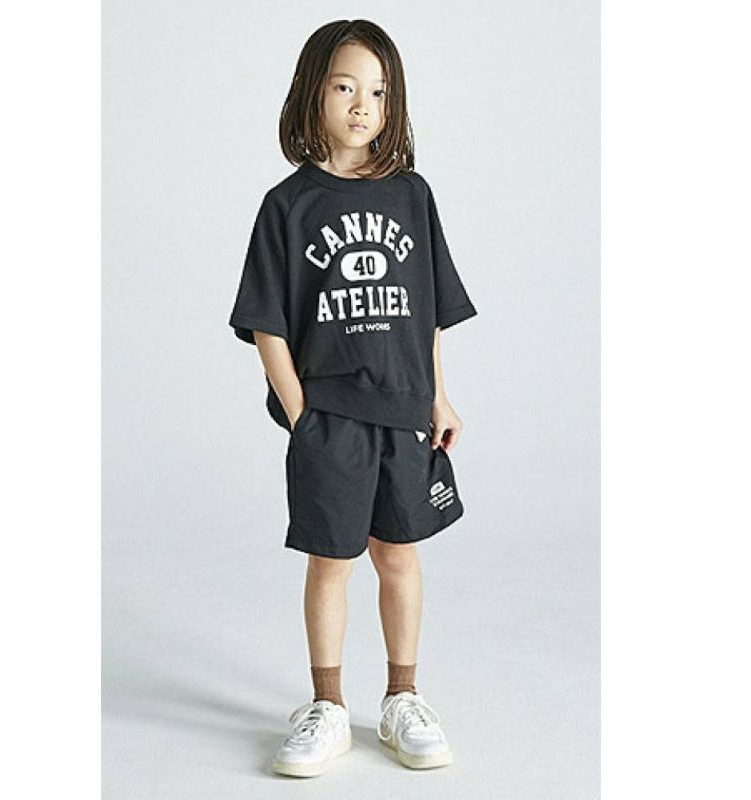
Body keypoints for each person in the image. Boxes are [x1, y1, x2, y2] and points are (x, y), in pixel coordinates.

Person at [228, 19, 478, 777]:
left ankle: (403, 696)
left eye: (379, 91)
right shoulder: (287, 205)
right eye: (345, 87)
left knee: (399, 555)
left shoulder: (412, 195)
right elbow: (266, 321)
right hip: (329, 419)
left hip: (403, 412)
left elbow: (428, 310)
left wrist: (439, 397)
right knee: (331, 560)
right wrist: (301, 413)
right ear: (314, 92)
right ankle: (328, 705)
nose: (363, 104)